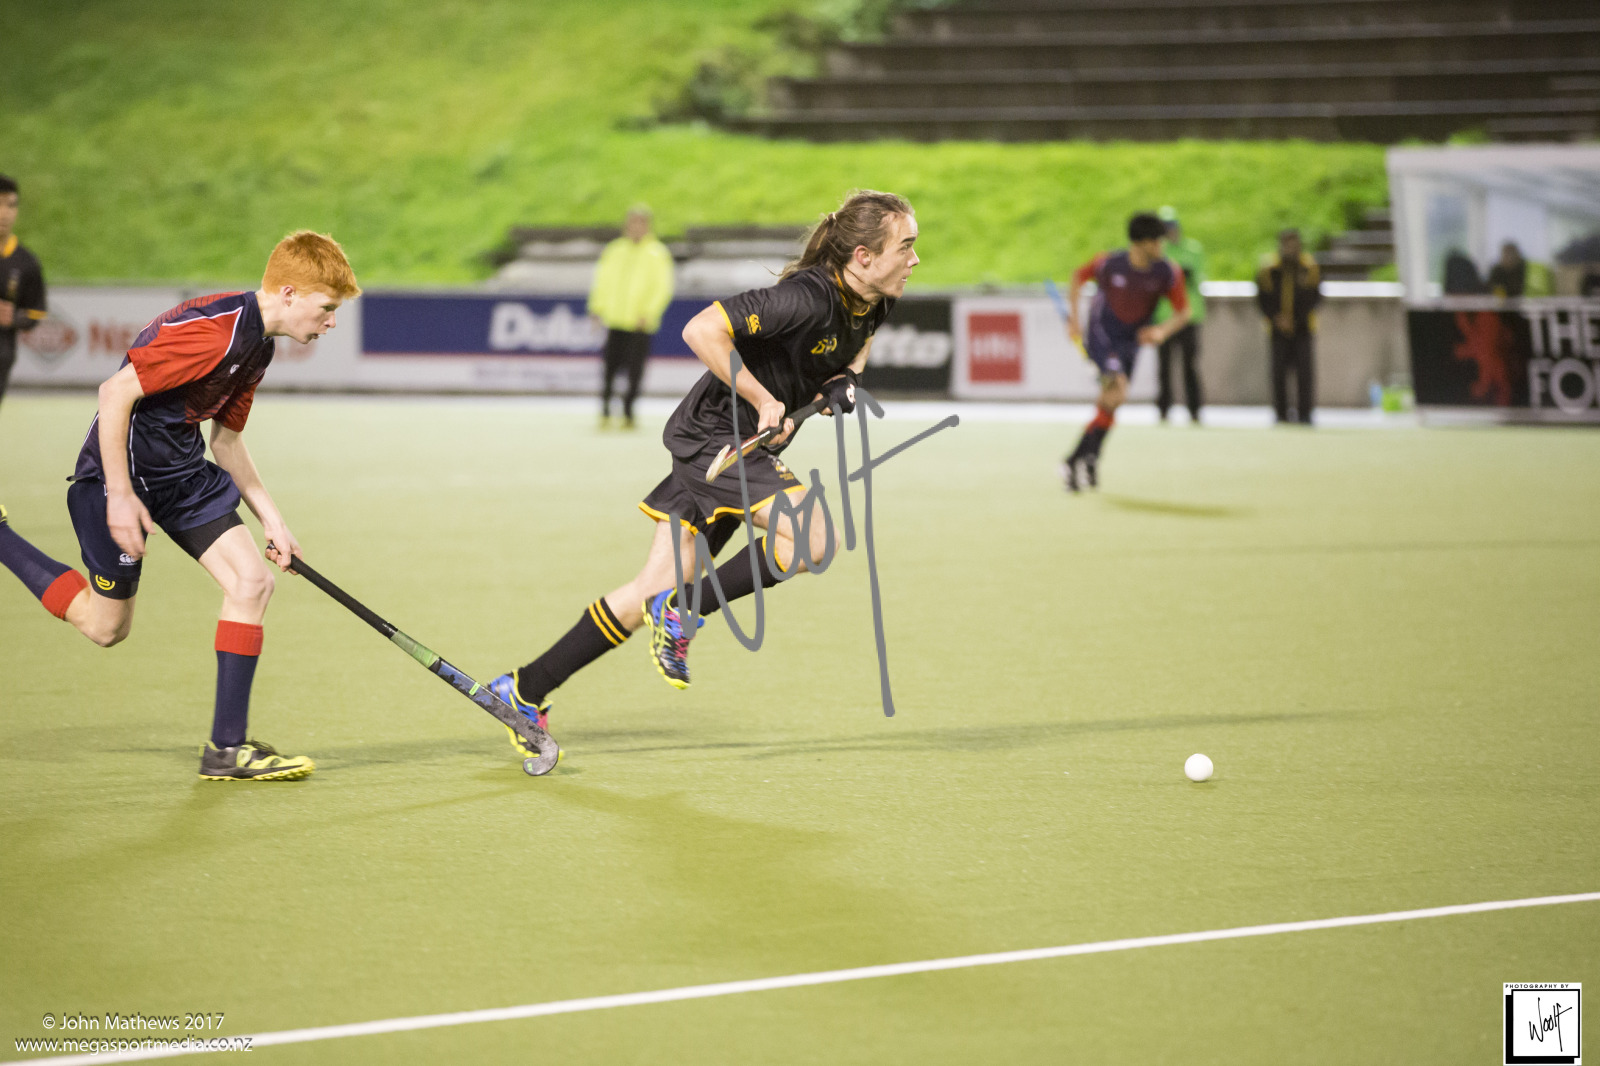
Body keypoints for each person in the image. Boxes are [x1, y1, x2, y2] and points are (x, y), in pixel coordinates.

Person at [486, 191, 917, 745]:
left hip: (736, 449)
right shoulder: (804, 299)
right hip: (715, 441)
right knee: (813, 541)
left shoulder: (876, 298)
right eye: (905, 246)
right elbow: (700, 330)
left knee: (649, 589)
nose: (914, 259)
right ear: (863, 256)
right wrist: (763, 398)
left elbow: (859, 342)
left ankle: (522, 688)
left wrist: (844, 379)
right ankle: (685, 609)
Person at [0, 232, 360, 781]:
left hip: (183, 476)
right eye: (327, 308)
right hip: (120, 477)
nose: (331, 322)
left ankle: (226, 750)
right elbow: (114, 393)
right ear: (289, 294)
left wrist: (274, 521)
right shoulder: (214, 332)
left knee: (252, 583)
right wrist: (120, 495)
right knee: (105, 628)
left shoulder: (259, 346)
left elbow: (227, 443)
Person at [1060, 212, 1190, 492]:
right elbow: (1077, 277)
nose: (1162, 247)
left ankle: (1084, 456)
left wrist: (1161, 331)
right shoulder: (1109, 264)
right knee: (1117, 391)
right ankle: (1075, 460)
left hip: (1131, 343)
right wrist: (1074, 320)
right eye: (1157, 241)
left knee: (1110, 402)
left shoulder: (1167, 272)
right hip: (1102, 337)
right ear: (1142, 243)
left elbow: (1184, 312)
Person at [590, 206, 675, 429]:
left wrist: (648, 313)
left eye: (640, 223)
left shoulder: (657, 253)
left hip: (640, 324)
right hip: (615, 320)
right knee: (609, 369)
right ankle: (605, 410)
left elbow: (662, 288)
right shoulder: (615, 250)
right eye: (632, 222)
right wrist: (597, 308)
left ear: (648, 225)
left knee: (635, 372)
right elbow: (602, 280)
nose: (636, 227)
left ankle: (628, 412)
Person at [1256, 228, 1322, 425]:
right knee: (1278, 373)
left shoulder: (1309, 267)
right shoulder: (1269, 268)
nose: (1290, 248)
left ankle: (1305, 413)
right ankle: (1281, 413)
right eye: (1287, 244)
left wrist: (1296, 319)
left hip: (1303, 328)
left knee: (1304, 373)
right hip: (1277, 329)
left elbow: (1314, 298)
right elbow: (1263, 298)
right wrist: (1276, 318)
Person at [0, 174, 48, 409]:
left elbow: (36, 313)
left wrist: (14, 318)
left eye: (11, 205)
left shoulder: (26, 262)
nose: (4, 213)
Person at [1153, 205, 1205, 424]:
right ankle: (1163, 408)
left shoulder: (1193, 249)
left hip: (1189, 318)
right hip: (1165, 319)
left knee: (1189, 365)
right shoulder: (1157, 252)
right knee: (1164, 367)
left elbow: (1198, 278)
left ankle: (1195, 409)